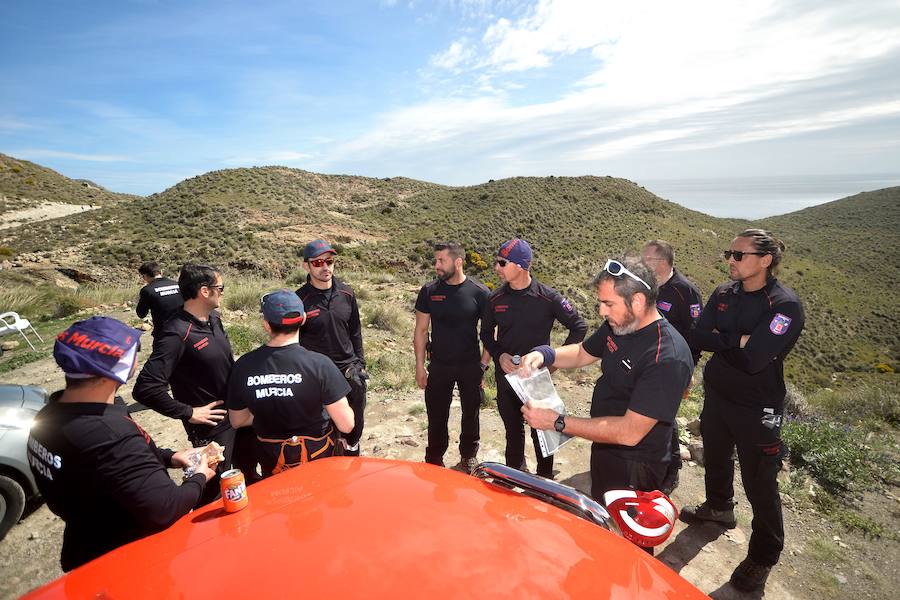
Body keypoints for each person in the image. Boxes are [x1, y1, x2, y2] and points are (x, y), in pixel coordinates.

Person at [28, 316, 214, 572]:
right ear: (119, 366)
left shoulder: (50, 415)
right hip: (128, 558)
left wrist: (170, 457)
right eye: (134, 351)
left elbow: (106, 464)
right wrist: (199, 476)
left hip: (84, 543)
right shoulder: (108, 433)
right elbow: (166, 507)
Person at [519, 257, 693, 517]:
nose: (602, 311)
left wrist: (557, 422)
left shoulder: (666, 356)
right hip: (604, 446)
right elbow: (583, 353)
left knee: (628, 541)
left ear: (637, 301)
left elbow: (629, 432)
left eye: (608, 304)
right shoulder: (620, 324)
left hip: (637, 467)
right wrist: (546, 355)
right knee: (601, 517)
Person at [680, 229, 804, 593]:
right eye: (728, 253)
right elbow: (699, 335)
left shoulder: (784, 305)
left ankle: (764, 556)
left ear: (765, 261)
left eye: (739, 255)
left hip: (758, 405)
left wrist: (728, 340)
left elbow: (755, 360)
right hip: (718, 395)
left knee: (759, 480)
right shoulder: (723, 293)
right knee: (716, 457)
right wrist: (740, 339)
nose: (730, 260)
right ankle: (719, 508)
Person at [133, 263, 245, 501]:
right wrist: (187, 412)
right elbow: (145, 388)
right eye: (220, 287)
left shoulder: (213, 318)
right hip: (211, 427)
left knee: (242, 477)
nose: (223, 292)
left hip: (236, 415)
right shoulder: (176, 332)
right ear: (205, 291)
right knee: (215, 492)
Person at [480, 238, 587, 478]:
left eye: (501, 263)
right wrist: (499, 355)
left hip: (537, 379)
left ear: (519, 265)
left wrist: (554, 361)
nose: (496, 267)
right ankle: (514, 475)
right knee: (512, 431)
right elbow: (485, 333)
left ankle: (545, 479)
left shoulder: (548, 297)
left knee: (543, 432)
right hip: (507, 377)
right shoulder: (495, 299)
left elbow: (579, 327)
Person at [226, 290, 354, 477]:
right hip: (318, 461)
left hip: (273, 464)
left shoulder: (243, 366)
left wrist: (269, 406)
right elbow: (347, 425)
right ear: (302, 319)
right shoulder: (320, 364)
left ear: (267, 326)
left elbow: (237, 420)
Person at [414, 242, 491, 473]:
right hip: (439, 364)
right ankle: (434, 458)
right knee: (436, 414)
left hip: (470, 365)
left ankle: (468, 456)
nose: (436, 265)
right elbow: (420, 331)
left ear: (458, 262)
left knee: (471, 412)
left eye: (441, 261)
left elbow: (489, 332)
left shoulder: (480, 293)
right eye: (436, 260)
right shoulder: (429, 291)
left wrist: (484, 364)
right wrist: (419, 366)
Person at [641, 240, 704, 494]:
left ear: (662, 263)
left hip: (672, 368)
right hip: (645, 363)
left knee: (665, 417)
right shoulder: (644, 286)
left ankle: (672, 468)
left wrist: (688, 370)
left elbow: (696, 336)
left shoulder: (686, 292)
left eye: (647, 260)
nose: (641, 263)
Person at [295, 239, 367, 456]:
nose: (325, 267)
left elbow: (355, 331)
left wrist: (360, 363)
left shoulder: (346, 293)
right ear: (306, 266)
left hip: (348, 369)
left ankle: (352, 456)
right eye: (317, 263)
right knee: (323, 428)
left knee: (353, 426)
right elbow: (294, 339)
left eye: (329, 261)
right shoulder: (299, 300)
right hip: (317, 374)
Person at [135, 261, 183, 341]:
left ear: (145, 276)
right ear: (161, 272)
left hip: (164, 334)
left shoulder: (147, 290)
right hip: (185, 331)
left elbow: (141, 314)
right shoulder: (178, 285)